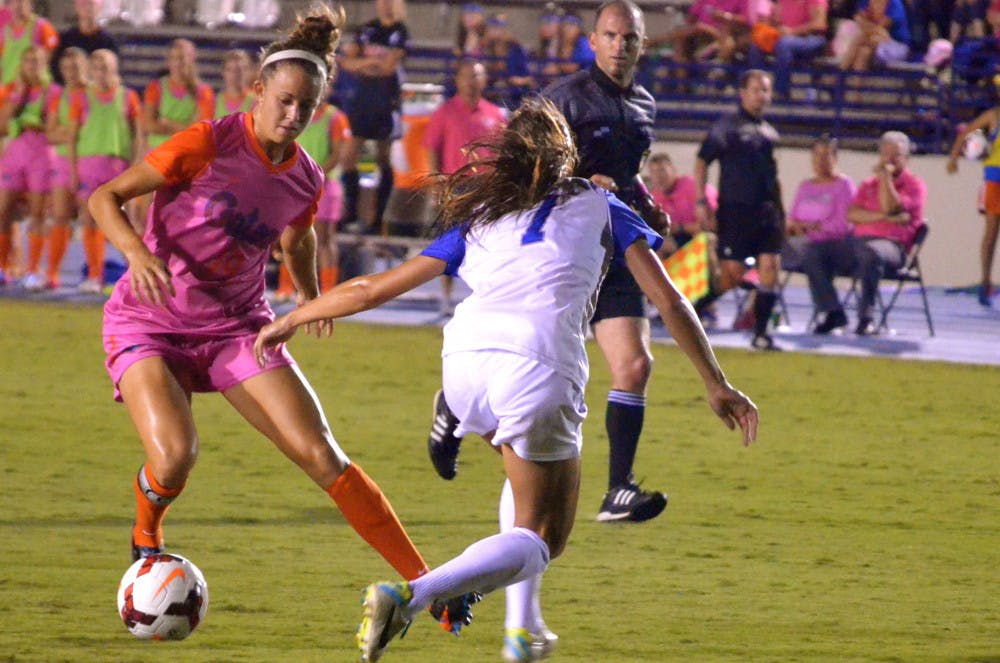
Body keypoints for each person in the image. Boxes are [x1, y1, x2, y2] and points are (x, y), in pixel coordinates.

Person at [251, 97, 758, 663]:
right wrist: (716, 381)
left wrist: (295, 315)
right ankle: (411, 596)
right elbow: (665, 298)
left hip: (464, 360)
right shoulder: (600, 201)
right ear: (565, 157)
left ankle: (521, 632)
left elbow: (373, 288)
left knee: (521, 480)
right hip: (537, 363)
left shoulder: (482, 217)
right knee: (545, 538)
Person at [85, 6, 474, 634]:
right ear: (258, 91)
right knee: (177, 455)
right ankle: (146, 532)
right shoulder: (206, 142)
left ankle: (428, 586)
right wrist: (135, 253)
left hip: (240, 327)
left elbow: (299, 239)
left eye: (308, 108)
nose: (294, 117)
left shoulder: (305, 176)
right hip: (150, 319)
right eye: (286, 101)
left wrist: (308, 296)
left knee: (323, 456)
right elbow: (105, 198)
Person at [427, 1, 671, 525]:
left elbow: (627, 170)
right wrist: (579, 182)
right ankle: (457, 405)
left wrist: (644, 201)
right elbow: (525, 162)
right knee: (538, 369)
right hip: (566, 245)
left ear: (642, 43)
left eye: (629, 38)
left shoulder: (645, 103)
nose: (619, 46)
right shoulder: (566, 99)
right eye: (609, 36)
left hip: (615, 242)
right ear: (594, 39)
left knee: (635, 365)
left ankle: (618, 491)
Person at [694, 69, 785, 351]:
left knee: (770, 266)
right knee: (731, 275)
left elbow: (775, 178)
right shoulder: (727, 128)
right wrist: (701, 201)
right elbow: (702, 161)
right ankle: (691, 308)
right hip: (735, 210)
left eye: (766, 90)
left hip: (766, 212)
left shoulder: (770, 134)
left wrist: (782, 214)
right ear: (743, 93)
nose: (761, 95)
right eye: (756, 89)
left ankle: (761, 333)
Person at [803, 131, 926, 335]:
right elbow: (852, 214)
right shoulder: (868, 184)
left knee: (871, 252)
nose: (889, 160)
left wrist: (885, 178)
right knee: (813, 252)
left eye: (896, 155)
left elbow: (892, 206)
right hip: (858, 242)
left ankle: (866, 317)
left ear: (906, 158)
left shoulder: (915, 186)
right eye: (885, 154)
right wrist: (883, 216)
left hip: (893, 247)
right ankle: (833, 313)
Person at [423, 58, 506, 317]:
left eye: (477, 75)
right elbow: (430, 147)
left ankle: (481, 299)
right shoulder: (445, 112)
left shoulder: (496, 114)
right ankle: (446, 299)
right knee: (449, 242)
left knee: (487, 244)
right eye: (467, 76)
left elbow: (503, 153)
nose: (471, 81)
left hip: (487, 187)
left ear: (485, 80)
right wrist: (436, 184)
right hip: (455, 185)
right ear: (458, 79)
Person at [70, 48, 141, 293]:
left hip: (118, 167)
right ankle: (95, 275)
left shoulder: (128, 97)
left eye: (106, 66)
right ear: (90, 71)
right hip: (88, 165)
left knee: (125, 222)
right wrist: (73, 170)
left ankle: (134, 273)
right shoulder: (81, 97)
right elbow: (73, 136)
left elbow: (136, 134)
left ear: (115, 68)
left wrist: (136, 164)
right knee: (89, 220)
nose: (101, 71)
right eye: (97, 67)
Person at [336, 0, 408, 235]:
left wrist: (363, 64)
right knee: (349, 157)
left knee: (382, 159)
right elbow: (346, 61)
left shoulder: (400, 31)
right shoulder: (366, 30)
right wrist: (371, 63)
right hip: (363, 99)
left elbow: (388, 68)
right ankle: (350, 214)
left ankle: (378, 220)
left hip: (386, 101)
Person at [0, 44, 59, 287]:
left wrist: (36, 124)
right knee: (3, 211)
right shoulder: (14, 90)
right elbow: (2, 125)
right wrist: (17, 99)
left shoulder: (54, 92)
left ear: (44, 64)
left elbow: (55, 128)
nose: (32, 66)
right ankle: (3, 267)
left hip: (41, 155)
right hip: (15, 154)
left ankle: (32, 270)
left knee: (38, 213)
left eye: (37, 61)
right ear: (21, 65)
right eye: (28, 61)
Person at [785, 135, 857, 333]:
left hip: (834, 246)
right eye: (817, 156)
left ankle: (832, 312)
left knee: (811, 254)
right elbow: (792, 218)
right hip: (803, 242)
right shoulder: (805, 186)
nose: (821, 161)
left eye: (826, 156)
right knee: (769, 248)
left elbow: (842, 225)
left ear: (835, 158)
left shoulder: (843, 185)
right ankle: (758, 308)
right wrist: (803, 227)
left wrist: (808, 228)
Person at [645, 151, 722, 324]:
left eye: (663, 171)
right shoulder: (654, 197)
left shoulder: (692, 187)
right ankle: (666, 304)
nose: (659, 177)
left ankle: (705, 306)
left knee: (704, 241)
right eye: (655, 173)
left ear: (673, 170)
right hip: (679, 243)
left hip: (710, 242)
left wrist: (680, 227)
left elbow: (711, 224)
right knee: (652, 246)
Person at [41, 46, 88, 291]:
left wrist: (68, 134)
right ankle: (52, 272)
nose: (71, 72)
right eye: (67, 68)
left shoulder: (92, 94)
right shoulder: (58, 97)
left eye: (76, 67)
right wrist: (67, 134)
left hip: (89, 161)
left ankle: (96, 275)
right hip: (62, 162)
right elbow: (50, 133)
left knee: (91, 218)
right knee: (60, 216)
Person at [946, 103, 999, 307]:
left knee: (991, 232)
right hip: (995, 177)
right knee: (992, 232)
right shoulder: (993, 115)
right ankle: (985, 281)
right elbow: (965, 133)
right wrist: (954, 159)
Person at [746, 0, 829, 99]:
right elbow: (777, 22)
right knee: (757, 45)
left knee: (784, 44)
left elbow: (819, 24)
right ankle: (757, 89)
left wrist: (793, 31)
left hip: (812, 39)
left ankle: (780, 92)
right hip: (785, 38)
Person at [50, 0, 118, 84]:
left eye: (92, 4)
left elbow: (113, 71)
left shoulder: (108, 41)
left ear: (99, 8)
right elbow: (56, 68)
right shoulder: (66, 38)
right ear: (77, 8)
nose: (88, 8)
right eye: (84, 4)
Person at [839, 0, 911, 72]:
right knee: (864, 52)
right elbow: (861, 22)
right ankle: (853, 80)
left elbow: (881, 26)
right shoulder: (865, 2)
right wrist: (876, 30)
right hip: (872, 40)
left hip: (896, 45)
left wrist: (868, 26)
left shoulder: (894, 3)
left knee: (862, 38)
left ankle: (842, 71)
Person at [0, 0, 58, 86]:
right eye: (13, 2)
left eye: (21, 2)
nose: (17, 6)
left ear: (30, 4)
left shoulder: (43, 26)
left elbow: (50, 55)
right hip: (10, 90)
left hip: (37, 87)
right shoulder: (3, 30)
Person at [214, 49, 255, 118]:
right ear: (223, 72)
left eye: (242, 69)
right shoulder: (213, 102)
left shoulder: (257, 103)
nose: (236, 74)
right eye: (231, 70)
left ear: (250, 72)